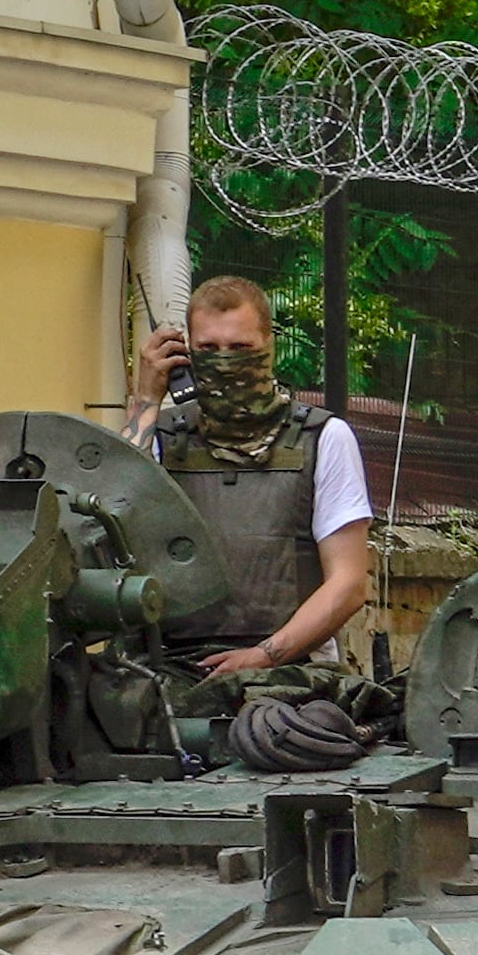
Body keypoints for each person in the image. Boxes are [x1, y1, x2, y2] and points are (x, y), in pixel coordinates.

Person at [122, 275, 374, 682]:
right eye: (207, 349)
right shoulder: (162, 439)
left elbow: (347, 584)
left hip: (292, 674)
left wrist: (264, 656)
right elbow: (115, 509)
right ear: (186, 355)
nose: (224, 362)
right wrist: (147, 400)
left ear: (268, 347)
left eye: (240, 348)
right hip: (172, 669)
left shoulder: (324, 439)